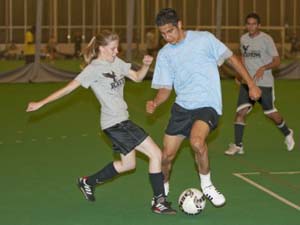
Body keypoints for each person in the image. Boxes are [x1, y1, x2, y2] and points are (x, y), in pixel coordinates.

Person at [26, 30, 176, 215]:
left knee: (128, 165)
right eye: (113, 48)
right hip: (116, 124)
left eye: (117, 48)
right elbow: (68, 89)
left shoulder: (116, 62)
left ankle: (87, 182)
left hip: (121, 121)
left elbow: (136, 78)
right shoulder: (93, 69)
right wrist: (41, 103)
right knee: (156, 154)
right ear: (102, 48)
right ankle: (159, 202)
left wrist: (145, 66)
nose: (116, 52)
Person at [146, 8, 261, 207]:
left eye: (170, 31)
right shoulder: (164, 54)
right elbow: (166, 88)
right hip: (182, 107)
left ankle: (206, 186)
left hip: (208, 104)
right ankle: (162, 196)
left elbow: (232, 58)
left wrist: (251, 84)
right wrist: (156, 102)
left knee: (197, 142)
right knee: (165, 157)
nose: (167, 37)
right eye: (163, 34)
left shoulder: (204, 39)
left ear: (179, 24)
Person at [225, 12, 295, 155]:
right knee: (240, 113)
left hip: (264, 83)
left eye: (254, 24)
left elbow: (277, 61)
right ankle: (238, 145)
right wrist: (240, 74)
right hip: (247, 82)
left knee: (270, 113)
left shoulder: (266, 39)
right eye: (248, 24)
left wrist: (263, 67)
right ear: (246, 25)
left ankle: (288, 133)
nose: (251, 26)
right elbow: (243, 59)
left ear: (259, 25)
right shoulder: (243, 39)